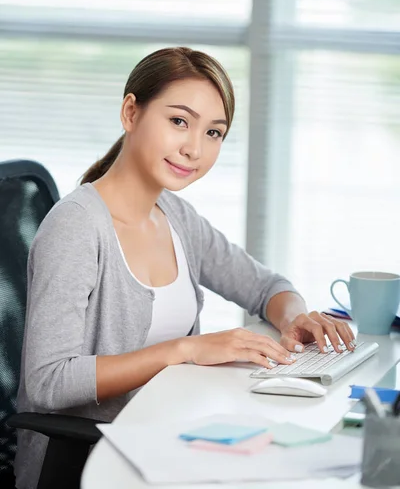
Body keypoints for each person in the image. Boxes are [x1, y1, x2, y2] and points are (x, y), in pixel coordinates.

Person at [15, 47, 355, 488]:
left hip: (170, 442)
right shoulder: (77, 227)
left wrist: (296, 319)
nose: (195, 148)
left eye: (214, 132)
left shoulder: (175, 216)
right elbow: (48, 381)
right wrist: (185, 349)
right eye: (179, 121)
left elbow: (266, 286)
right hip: (95, 460)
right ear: (131, 112)